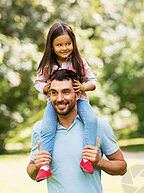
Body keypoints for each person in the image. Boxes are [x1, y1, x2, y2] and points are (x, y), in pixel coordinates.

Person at [34, 22, 99, 182]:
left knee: (91, 120)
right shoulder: (47, 65)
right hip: (54, 103)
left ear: (73, 43)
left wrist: (83, 86)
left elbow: (93, 81)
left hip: (80, 100)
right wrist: (46, 88)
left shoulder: (79, 62)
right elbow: (38, 82)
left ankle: (86, 159)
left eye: (68, 44)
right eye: (59, 45)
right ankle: (44, 166)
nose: (64, 48)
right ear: (52, 46)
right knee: (47, 127)